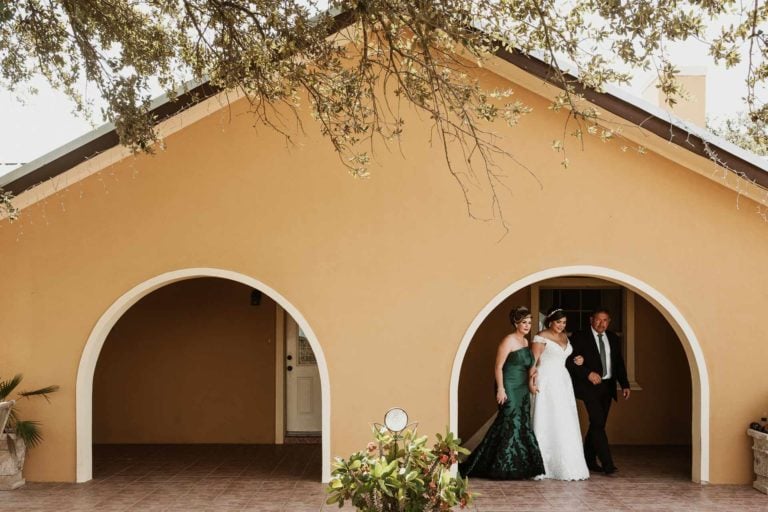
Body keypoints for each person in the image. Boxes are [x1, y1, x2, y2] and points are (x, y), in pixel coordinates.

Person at [459, 306, 545, 479]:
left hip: (521, 388)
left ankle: (516, 465)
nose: (527, 326)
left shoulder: (526, 342)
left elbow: (529, 366)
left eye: (529, 322)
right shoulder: (508, 340)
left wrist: (532, 380)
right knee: (509, 420)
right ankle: (501, 465)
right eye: (523, 322)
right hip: (508, 385)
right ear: (515, 323)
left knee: (521, 423)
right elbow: (498, 367)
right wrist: (500, 389)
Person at [567, 307, 630, 475]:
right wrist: (588, 373)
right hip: (589, 388)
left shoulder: (613, 338)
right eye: (598, 320)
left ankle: (588, 459)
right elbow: (569, 362)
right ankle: (608, 464)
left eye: (605, 320)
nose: (602, 323)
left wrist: (625, 384)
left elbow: (618, 363)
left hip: (607, 387)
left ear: (609, 322)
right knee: (598, 423)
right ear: (591, 320)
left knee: (597, 424)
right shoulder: (580, 337)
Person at [530, 307, 590, 480]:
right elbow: (533, 362)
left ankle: (567, 464)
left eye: (564, 323)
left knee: (564, 419)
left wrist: (577, 359)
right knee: (547, 417)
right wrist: (531, 382)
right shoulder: (541, 336)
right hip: (546, 380)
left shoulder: (564, 336)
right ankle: (543, 465)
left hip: (563, 380)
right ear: (550, 321)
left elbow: (562, 357)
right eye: (558, 322)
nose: (561, 326)